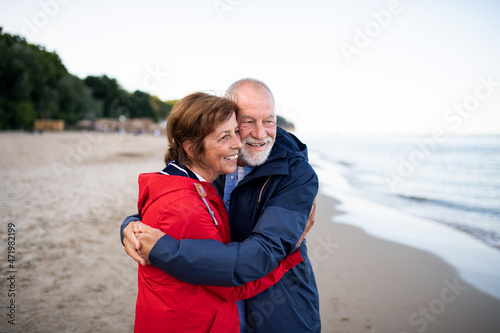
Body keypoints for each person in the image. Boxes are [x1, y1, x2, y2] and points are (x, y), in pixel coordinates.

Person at [122, 78, 321, 332]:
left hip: (279, 309)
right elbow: (173, 205)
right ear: (229, 119)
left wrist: (162, 248)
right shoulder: (215, 159)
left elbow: (264, 253)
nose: (260, 134)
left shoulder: (297, 173)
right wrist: (131, 226)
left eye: (269, 120)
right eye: (248, 122)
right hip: (220, 310)